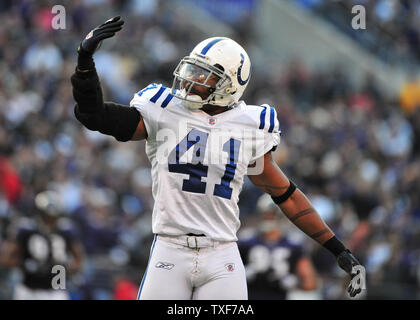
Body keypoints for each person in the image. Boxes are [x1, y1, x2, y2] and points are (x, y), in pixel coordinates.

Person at [71, 16, 364, 300]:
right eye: (193, 70)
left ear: (229, 85)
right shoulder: (164, 110)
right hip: (170, 250)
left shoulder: (249, 126)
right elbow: (95, 116)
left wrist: (338, 249)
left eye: (203, 75)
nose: (190, 80)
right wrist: (85, 64)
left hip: (221, 256)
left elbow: (286, 196)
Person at [0, 191, 84, 300]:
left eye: (54, 216)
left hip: (56, 289)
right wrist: (23, 264)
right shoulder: (27, 229)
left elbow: (79, 259)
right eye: (47, 216)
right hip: (29, 289)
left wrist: (66, 270)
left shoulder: (66, 230)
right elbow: (6, 258)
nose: (50, 220)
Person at [238, 194, 318, 299]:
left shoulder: (293, 245)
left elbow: (309, 283)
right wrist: (243, 275)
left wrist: (293, 282)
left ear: (279, 216)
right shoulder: (245, 242)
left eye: (271, 214)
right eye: (265, 214)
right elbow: (226, 276)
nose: (267, 217)